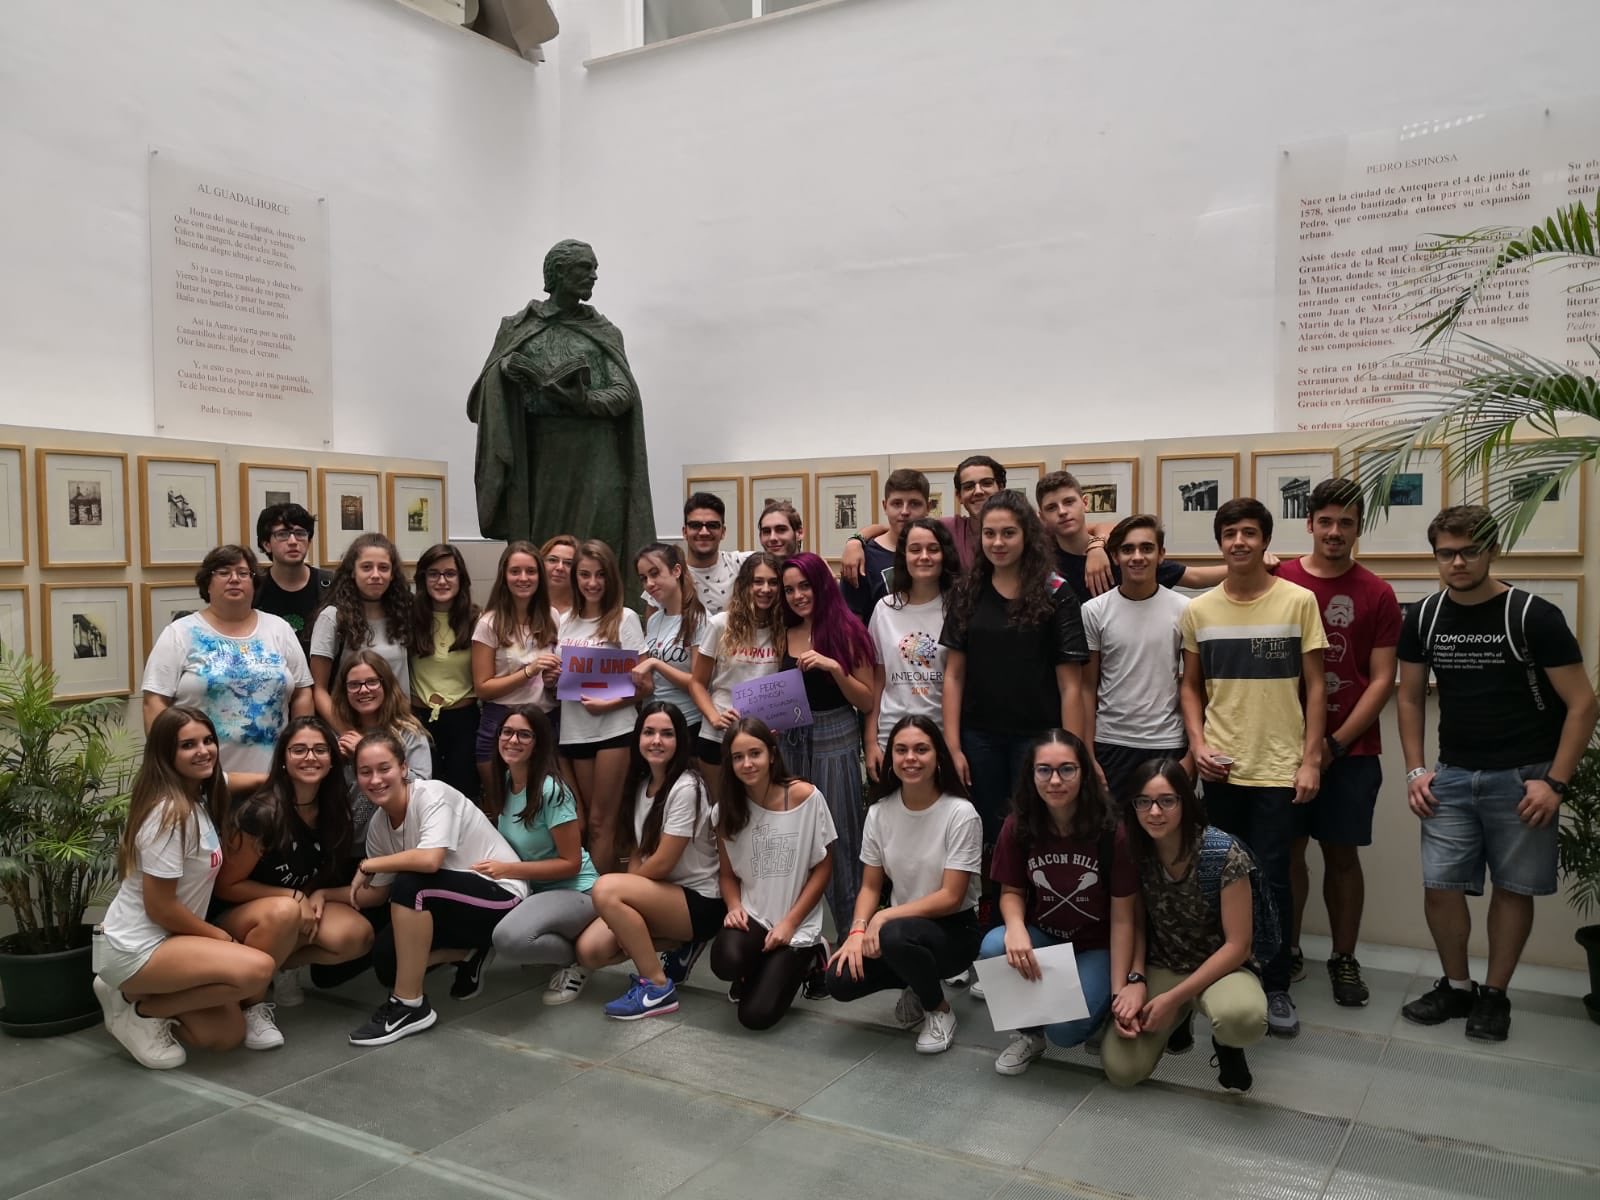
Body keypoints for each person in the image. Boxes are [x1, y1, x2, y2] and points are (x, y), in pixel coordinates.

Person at [1396, 504, 1598, 1042]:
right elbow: (1410, 698)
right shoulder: (1423, 617)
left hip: (1524, 779)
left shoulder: (1533, 615)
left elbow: (1582, 704)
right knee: (1440, 886)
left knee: (1512, 889)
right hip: (1453, 775)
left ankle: (1495, 995)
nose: (1457, 562)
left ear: (1493, 550)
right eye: (1446, 553)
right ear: (1435, 556)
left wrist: (1554, 782)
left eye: (1469, 551)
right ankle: (1457, 986)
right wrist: (1416, 769)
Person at [1180, 496, 1327, 1039]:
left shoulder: (1298, 602)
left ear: (1265, 541)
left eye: (1249, 533)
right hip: (1221, 768)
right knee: (1218, 874)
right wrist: (1197, 745)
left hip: (1278, 768)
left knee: (1272, 875)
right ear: (1219, 543)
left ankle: (1275, 980)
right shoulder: (1199, 610)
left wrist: (1310, 760)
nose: (1239, 542)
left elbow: (1316, 688)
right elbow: (1191, 687)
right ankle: (1226, 970)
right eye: (1229, 534)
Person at [93, 707, 278, 1069]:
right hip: (140, 946)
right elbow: (159, 908)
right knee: (257, 970)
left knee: (226, 1035)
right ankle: (140, 1009)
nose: (204, 751)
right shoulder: (169, 814)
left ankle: (128, 992)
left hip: (172, 941)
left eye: (208, 740)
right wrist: (218, 938)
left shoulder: (200, 792)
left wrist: (284, 776)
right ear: (166, 755)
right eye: (188, 745)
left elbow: (237, 779)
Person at [1274, 479, 1401, 1007]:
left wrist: (1335, 744)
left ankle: (1344, 958)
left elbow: (1382, 680)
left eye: (1346, 522)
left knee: (1342, 855)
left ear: (1358, 527)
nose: (1334, 531)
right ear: (1309, 523)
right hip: (1282, 748)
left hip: (1352, 752)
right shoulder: (1277, 577)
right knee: (1287, 854)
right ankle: (1289, 948)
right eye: (1325, 521)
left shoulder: (1377, 592)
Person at [466, 238, 654, 557]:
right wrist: (505, 372)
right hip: (542, 458)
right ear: (558, 271)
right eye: (585, 267)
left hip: (597, 458)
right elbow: (483, 401)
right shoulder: (518, 327)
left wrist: (582, 400)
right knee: (543, 549)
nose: (594, 275)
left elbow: (624, 394)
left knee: (598, 549)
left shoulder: (604, 331)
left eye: (595, 268)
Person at [346, 730, 528, 1046]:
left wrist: (369, 865)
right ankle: (468, 953)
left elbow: (430, 861)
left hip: (501, 897)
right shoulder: (378, 825)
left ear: (403, 768)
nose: (375, 779)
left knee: (412, 885)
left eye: (384, 768)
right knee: (388, 963)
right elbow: (375, 893)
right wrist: (318, 896)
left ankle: (410, 1006)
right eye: (365, 772)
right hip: (446, 903)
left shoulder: (432, 794)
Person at [1101, 759, 1269, 1094]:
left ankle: (1225, 1044)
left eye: (1167, 800)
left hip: (1221, 968)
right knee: (1122, 1070)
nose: (1155, 812)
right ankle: (1178, 1021)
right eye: (1144, 802)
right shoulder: (1133, 849)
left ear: (1184, 802)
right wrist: (1129, 985)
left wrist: (1171, 1000)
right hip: (1162, 964)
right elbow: (1130, 923)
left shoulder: (1221, 852)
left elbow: (1238, 945)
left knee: (1242, 1020)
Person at [941, 490, 1089, 861]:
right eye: (989, 534)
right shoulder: (967, 592)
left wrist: (1070, 751)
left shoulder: (1057, 592)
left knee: (1038, 830)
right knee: (988, 832)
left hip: (1038, 738)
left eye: (1008, 533)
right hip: (980, 739)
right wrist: (953, 745)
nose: (998, 543)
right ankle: (994, 911)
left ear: (1027, 535)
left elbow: (1071, 684)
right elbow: (954, 676)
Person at [979, 730, 1138, 1075]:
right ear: (1031, 774)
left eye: (1067, 769)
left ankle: (1095, 1011)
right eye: (1044, 770)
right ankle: (1030, 1034)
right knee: (995, 945)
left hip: (1096, 946)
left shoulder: (1112, 831)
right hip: (1046, 935)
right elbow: (1011, 892)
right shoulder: (1018, 824)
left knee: (1066, 1033)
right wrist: (1017, 928)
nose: (1055, 780)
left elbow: (1125, 919)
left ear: (1084, 773)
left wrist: (1119, 990)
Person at [825, 715, 982, 1055]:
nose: (911, 758)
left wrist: (884, 918)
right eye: (901, 750)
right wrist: (856, 932)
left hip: (954, 931)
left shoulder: (961, 813)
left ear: (938, 756)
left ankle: (939, 1010)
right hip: (902, 929)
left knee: (894, 935)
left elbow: (952, 897)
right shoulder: (880, 812)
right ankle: (917, 980)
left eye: (921, 749)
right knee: (838, 977)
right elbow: (870, 887)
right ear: (891, 758)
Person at [574, 703, 724, 1019]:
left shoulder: (687, 786)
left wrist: (627, 899)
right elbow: (638, 855)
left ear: (680, 741)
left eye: (667, 734)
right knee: (590, 951)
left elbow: (663, 863)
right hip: (660, 894)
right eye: (649, 732)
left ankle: (657, 987)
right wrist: (631, 913)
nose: (656, 740)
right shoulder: (642, 786)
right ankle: (677, 944)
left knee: (606, 889)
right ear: (638, 739)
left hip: (699, 901)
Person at [213, 716, 373, 1011]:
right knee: (284, 913)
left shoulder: (335, 809)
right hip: (238, 915)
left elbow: (317, 870)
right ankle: (252, 1005)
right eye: (299, 750)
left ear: (332, 760)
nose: (310, 757)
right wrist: (292, 896)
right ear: (284, 759)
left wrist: (309, 896)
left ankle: (276, 967)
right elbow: (226, 886)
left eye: (320, 750)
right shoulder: (261, 813)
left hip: (291, 909)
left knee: (356, 936)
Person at [142, 544, 313, 777]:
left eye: (243, 573)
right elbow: (154, 702)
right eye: (223, 573)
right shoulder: (180, 633)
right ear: (207, 584)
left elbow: (303, 691)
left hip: (274, 780)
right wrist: (168, 764)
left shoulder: (278, 629)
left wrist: (301, 747)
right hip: (202, 781)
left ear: (254, 584)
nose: (234, 579)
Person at [712, 718, 836, 1030]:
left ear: (771, 754)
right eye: (738, 757)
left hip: (796, 923)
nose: (747, 763)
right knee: (724, 961)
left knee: (755, 1016)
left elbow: (823, 868)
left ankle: (811, 956)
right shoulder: (724, 810)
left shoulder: (805, 797)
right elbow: (727, 875)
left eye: (754, 753)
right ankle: (755, 966)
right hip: (754, 915)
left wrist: (790, 924)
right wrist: (733, 907)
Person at [482, 706, 600, 1006]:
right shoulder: (507, 781)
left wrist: (507, 870)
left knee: (509, 939)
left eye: (524, 734)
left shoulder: (552, 790)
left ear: (539, 743)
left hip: (577, 890)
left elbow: (570, 863)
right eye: (507, 732)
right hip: (533, 890)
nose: (513, 740)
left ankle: (577, 958)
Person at [1081, 515, 1192, 798]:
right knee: (1113, 834)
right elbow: (1086, 688)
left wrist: (1192, 755)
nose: (1137, 557)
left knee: (1164, 834)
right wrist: (1088, 753)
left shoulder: (1185, 609)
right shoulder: (1094, 610)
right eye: (1128, 549)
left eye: (1147, 548)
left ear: (1161, 554)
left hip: (1167, 741)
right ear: (1115, 557)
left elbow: (1195, 685)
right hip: (1111, 743)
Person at [559, 539, 647, 872]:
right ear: (575, 578)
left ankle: (600, 904)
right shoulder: (564, 621)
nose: (592, 583)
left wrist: (608, 703)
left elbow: (645, 686)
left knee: (601, 822)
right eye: (585, 575)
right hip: (574, 733)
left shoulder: (624, 619)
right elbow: (562, 680)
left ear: (610, 577)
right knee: (582, 825)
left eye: (600, 575)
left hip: (614, 730)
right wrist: (554, 678)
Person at [1037, 471, 1234, 604]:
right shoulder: (1040, 561)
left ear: (1085, 503)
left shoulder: (1121, 553)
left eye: (1069, 502)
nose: (1062, 512)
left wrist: (1253, 566)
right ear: (1042, 516)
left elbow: (1195, 577)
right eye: (1052, 507)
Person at [865, 517, 957, 784]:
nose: (924, 557)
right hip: (891, 739)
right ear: (903, 555)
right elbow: (877, 680)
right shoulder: (884, 608)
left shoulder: (958, 608)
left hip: (942, 737)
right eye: (915, 549)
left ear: (945, 554)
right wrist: (871, 741)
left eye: (933, 549)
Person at [472, 540, 561, 798]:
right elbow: (483, 688)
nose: (523, 578)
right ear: (504, 576)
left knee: (543, 805)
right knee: (503, 808)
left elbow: (550, 682)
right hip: (501, 724)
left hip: (546, 721)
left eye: (531, 571)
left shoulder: (552, 616)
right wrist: (528, 672)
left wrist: (553, 679)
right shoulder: (489, 624)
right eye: (515, 571)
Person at [688, 552, 784, 780]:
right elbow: (697, 683)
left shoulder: (785, 628)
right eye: (757, 581)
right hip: (718, 736)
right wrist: (714, 717)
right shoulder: (720, 624)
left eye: (773, 582)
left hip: (764, 739)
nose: (765, 589)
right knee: (723, 811)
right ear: (744, 585)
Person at [310, 533, 414, 725]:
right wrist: (348, 734)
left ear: (392, 574)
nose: (375, 575)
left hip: (398, 730)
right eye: (366, 567)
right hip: (351, 731)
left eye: (383, 568)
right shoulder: (333, 617)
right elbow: (319, 690)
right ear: (353, 571)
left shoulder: (403, 614)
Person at [333, 650, 433, 848]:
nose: (363, 690)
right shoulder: (337, 733)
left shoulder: (408, 732)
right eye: (354, 685)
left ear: (385, 684)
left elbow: (423, 786)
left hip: (396, 842)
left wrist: (364, 752)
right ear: (345, 691)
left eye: (372, 682)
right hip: (344, 841)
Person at [410, 544, 481, 802]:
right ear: (423, 579)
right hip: (417, 721)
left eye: (450, 574)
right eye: (434, 574)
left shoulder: (477, 619)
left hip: (464, 721)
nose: (442, 581)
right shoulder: (409, 618)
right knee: (423, 797)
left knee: (462, 799)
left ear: (461, 578)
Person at [632, 542, 706, 735]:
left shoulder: (699, 619)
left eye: (655, 573)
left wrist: (655, 663)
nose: (649, 583)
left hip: (686, 723)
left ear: (676, 571)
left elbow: (699, 682)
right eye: (643, 578)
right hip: (652, 721)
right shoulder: (654, 619)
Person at [840, 468, 930, 626]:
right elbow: (852, 626)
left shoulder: (937, 553)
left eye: (914, 504)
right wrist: (854, 541)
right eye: (897, 503)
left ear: (928, 507)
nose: (904, 511)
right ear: (885, 506)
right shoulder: (862, 558)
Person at [252, 502, 332, 655]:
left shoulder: (330, 585)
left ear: (309, 542)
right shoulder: (253, 587)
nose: (293, 541)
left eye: (300, 533)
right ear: (267, 544)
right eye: (282, 534)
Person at [681, 492, 751, 615]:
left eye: (712, 525)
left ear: (723, 532)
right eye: (695, 525)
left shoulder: (741, 564)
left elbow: (781, 559)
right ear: (685, 532)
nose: (704, 532)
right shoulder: (671, 575)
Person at [542, 534, 579, 622]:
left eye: (568, 563)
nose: (560, 568)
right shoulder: (525, 607)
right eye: (552, 560)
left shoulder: (586, 612)